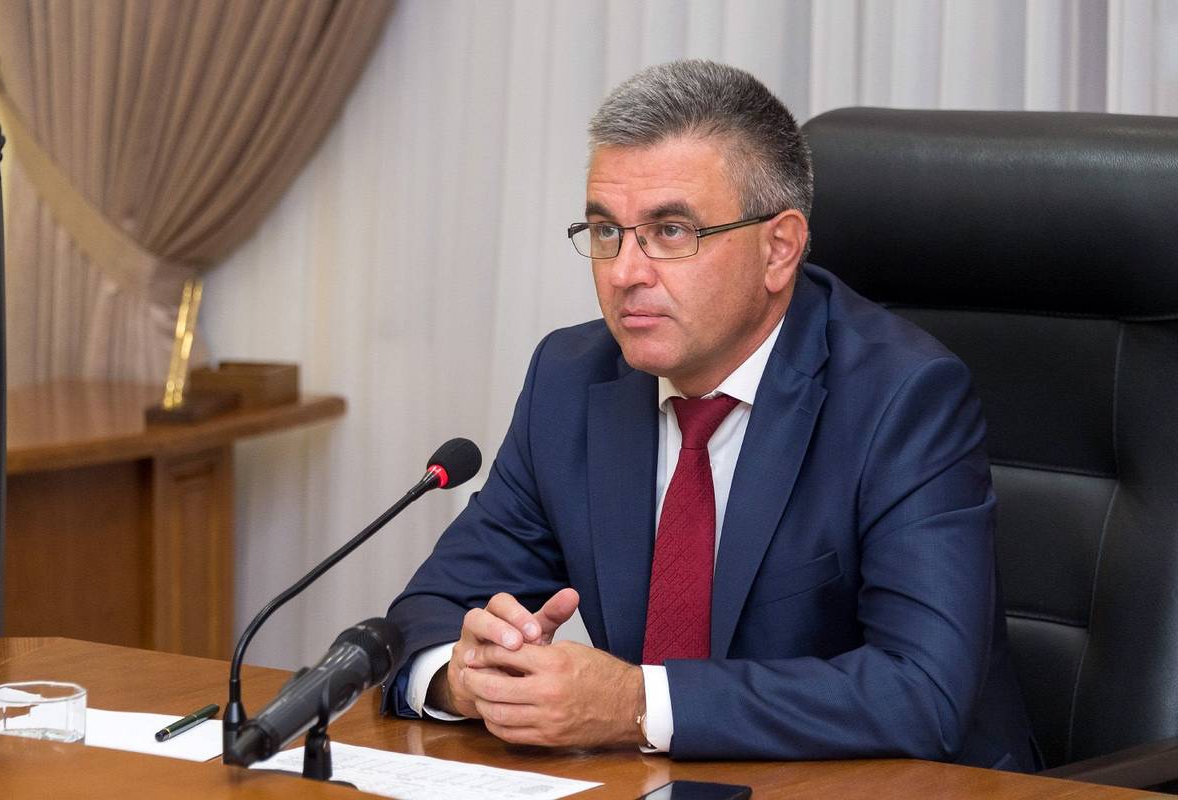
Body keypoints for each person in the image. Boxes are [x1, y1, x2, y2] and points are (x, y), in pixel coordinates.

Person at [382, 60, 1037, 770]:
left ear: (778, 249)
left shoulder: (902, 397)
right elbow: (432, 608)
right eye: (606, 231)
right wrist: (467, 677)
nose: (624, 271)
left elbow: (922, 693)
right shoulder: (572, 379)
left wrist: (636, 703)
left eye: (670, 231)